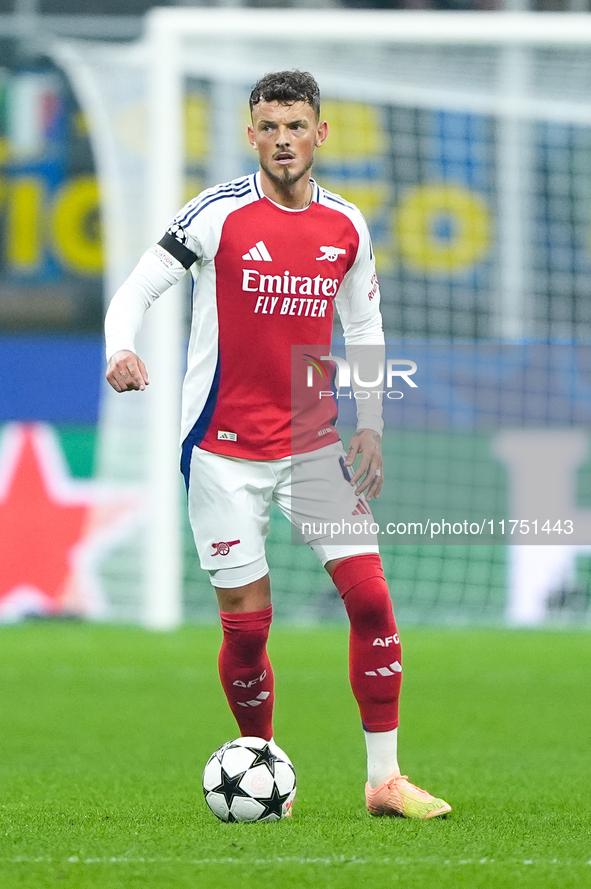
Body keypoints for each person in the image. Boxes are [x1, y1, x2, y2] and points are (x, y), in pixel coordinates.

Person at [104, 70, 451, 819]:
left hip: (313, 446)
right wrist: (118, 347)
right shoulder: (216, 215)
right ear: (251, 133)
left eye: (296, 126)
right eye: (269, 126)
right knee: (248, 626)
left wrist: (370, 424)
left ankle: (384, 780)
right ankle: (262, 763)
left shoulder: (347, 226)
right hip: (222, 452)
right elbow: (135, 287)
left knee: (372, 602)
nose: (283, 139)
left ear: (320, 134)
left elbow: (363, 330)